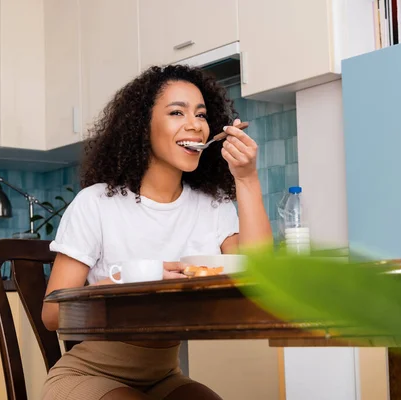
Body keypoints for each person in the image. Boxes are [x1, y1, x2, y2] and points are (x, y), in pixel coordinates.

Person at [41, 64, 272, 400]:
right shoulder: (96, 203)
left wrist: (246, 178)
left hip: (164, 376)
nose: (195, 125)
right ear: (141, 126)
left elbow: (259, 277)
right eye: (177, 112)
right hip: (89, 374)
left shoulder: (213, 205)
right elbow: (51, 315)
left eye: (202, 115)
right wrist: (136, 280)